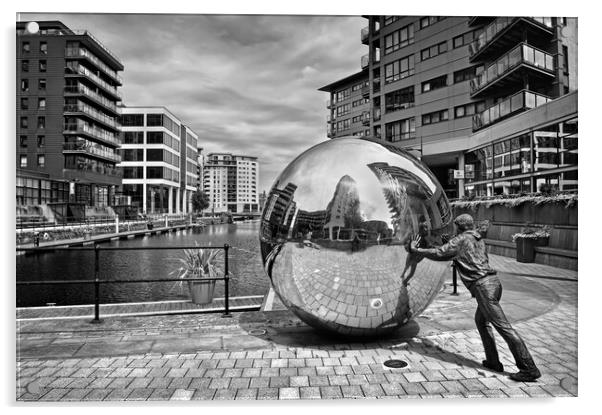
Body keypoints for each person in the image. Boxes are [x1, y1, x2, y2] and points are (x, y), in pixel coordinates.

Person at [408, 213, 541, 382]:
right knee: (481, 321)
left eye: (456, 227)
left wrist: (416, 249)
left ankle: (529, 368)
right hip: (493, 283)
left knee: (504, 327)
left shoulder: (461, 239)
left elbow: (440, 253)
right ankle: (493, 362)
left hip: (482, 287)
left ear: (460, 227)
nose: (455, 229)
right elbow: (462, 253)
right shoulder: (477, 238)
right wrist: (451, 242)